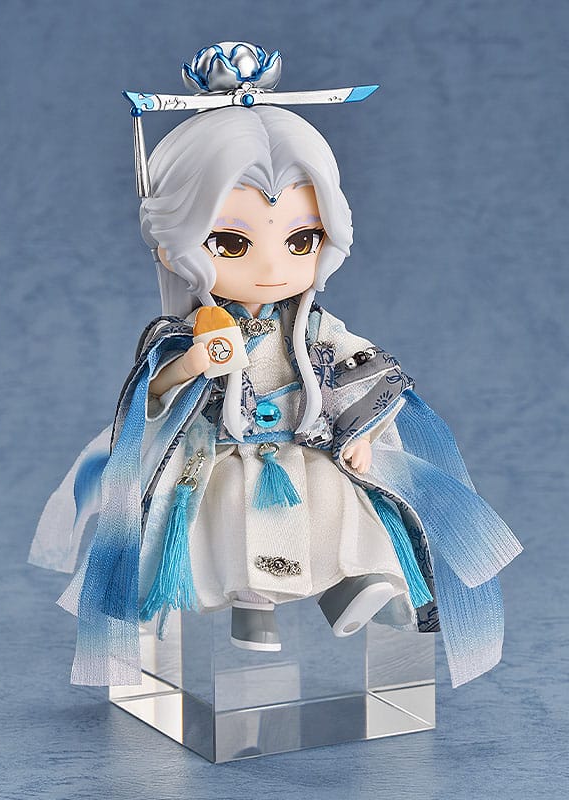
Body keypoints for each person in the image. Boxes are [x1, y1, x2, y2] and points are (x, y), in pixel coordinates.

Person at [30, 43, 521, 689]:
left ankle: (354, 588)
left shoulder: (313, 328)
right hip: (225, 456)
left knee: (347, 510)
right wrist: (192, 363)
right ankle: (250, 607)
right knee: (230, 530)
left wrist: (365, 434)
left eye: (300, 239)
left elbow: (366, 373)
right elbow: (150, 394)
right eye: (231, 242)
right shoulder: (187, 330)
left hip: (308, 449)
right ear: (174, 243)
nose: (271, 266)